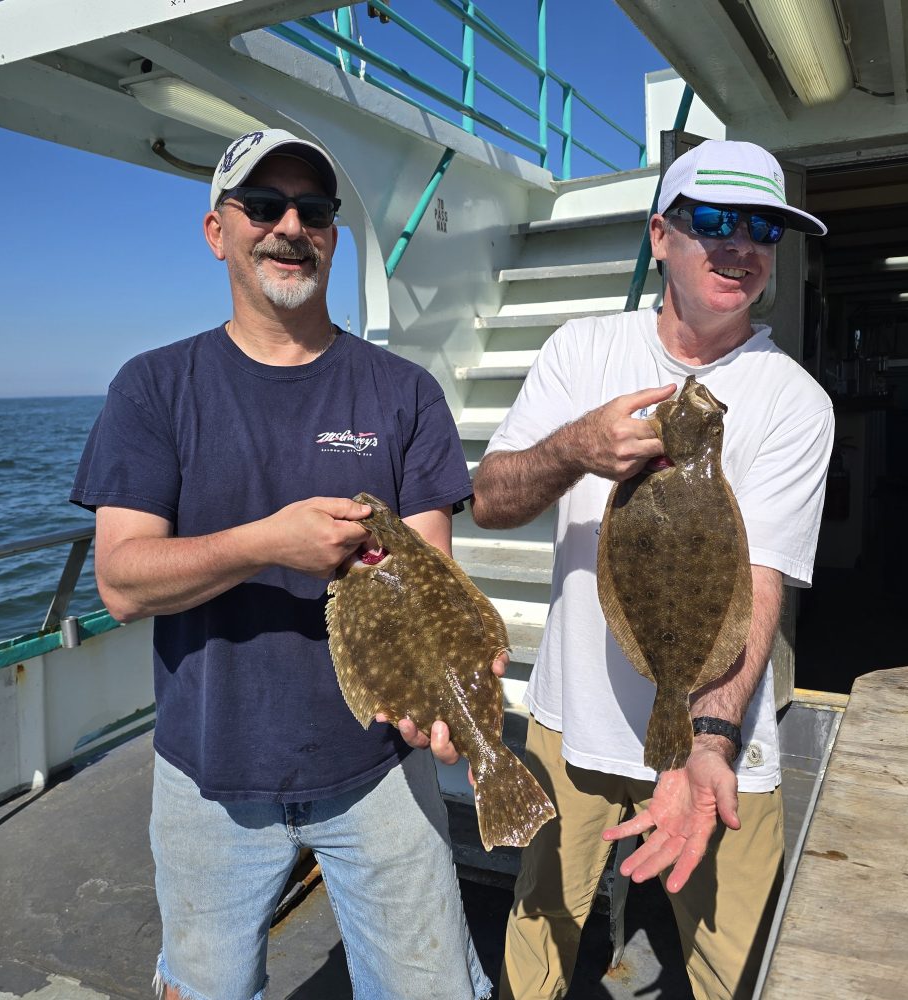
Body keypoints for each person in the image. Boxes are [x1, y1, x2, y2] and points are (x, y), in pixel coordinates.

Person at [71, 128, 492, 1000]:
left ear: (335, 234)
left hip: (378, 766)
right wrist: (270, 542)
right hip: (209, 777)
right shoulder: (153, 388)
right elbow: (119, 582)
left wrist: (452, 703)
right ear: (217, 230)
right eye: (263, 207)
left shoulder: (403, 392)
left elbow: (435, 584)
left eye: (316, 210)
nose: (290, 226)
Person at [469, 139, 834, 1000]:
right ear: (660, 236)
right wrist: (575, 447)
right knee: (540, 935)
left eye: (764, 230)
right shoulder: (580, 350)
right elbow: (487, 497)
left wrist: (706, 739)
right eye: (714, 222)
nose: (741, 245)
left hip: (722, 738)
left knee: (743, 964)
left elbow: (757, 582)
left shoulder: (794, 400)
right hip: (574, 723)